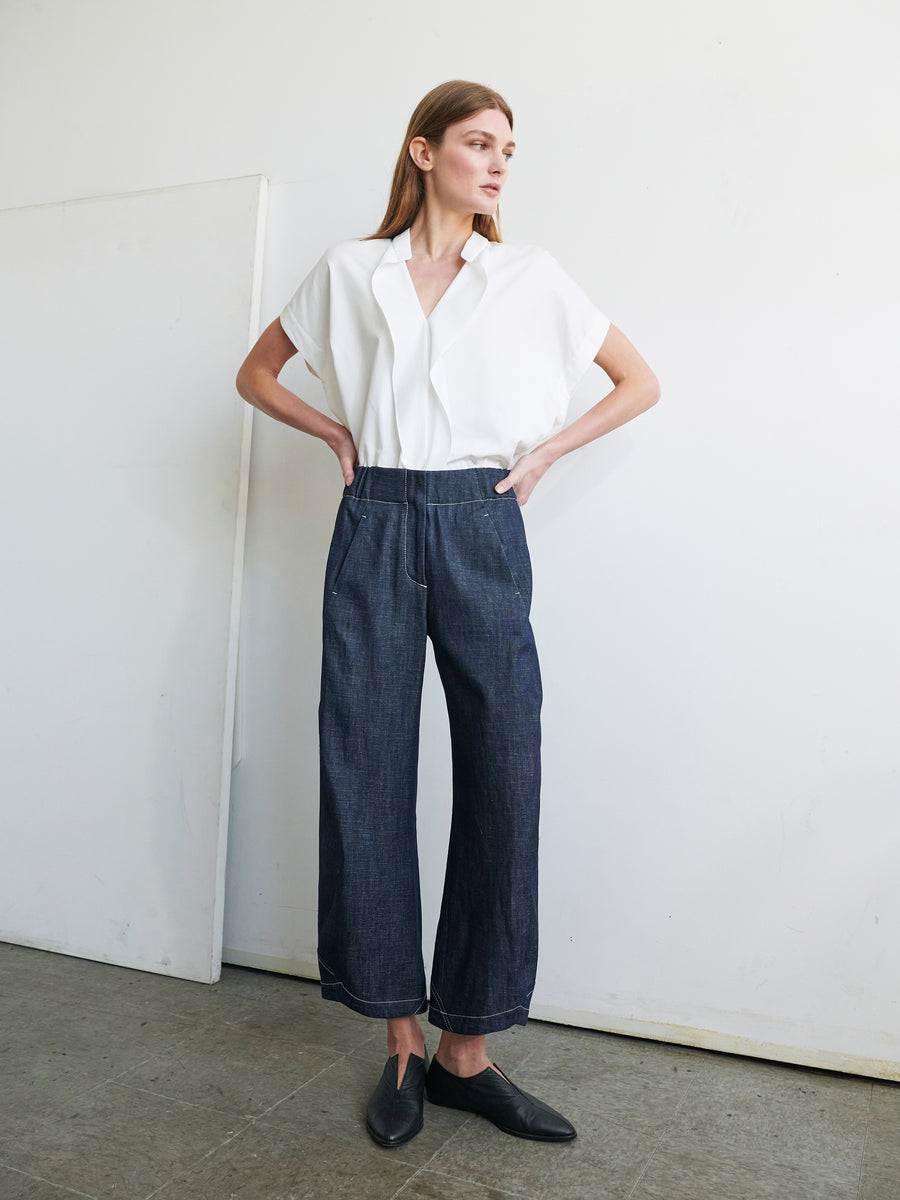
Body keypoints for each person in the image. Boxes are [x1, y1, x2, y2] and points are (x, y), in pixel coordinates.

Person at [236, 79, 659, 1149]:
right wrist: (335, 434)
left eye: (509, 147)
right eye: (479, 142)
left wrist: (549, 450)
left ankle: (468, 1052)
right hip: (377, 515)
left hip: (481, 517)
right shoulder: (349, 271)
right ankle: (400, 1049)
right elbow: (256, 373)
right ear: (423, 151)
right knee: (367, 769)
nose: (500, 162)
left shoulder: (528, 276)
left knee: (505, 768)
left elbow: (637, 380)